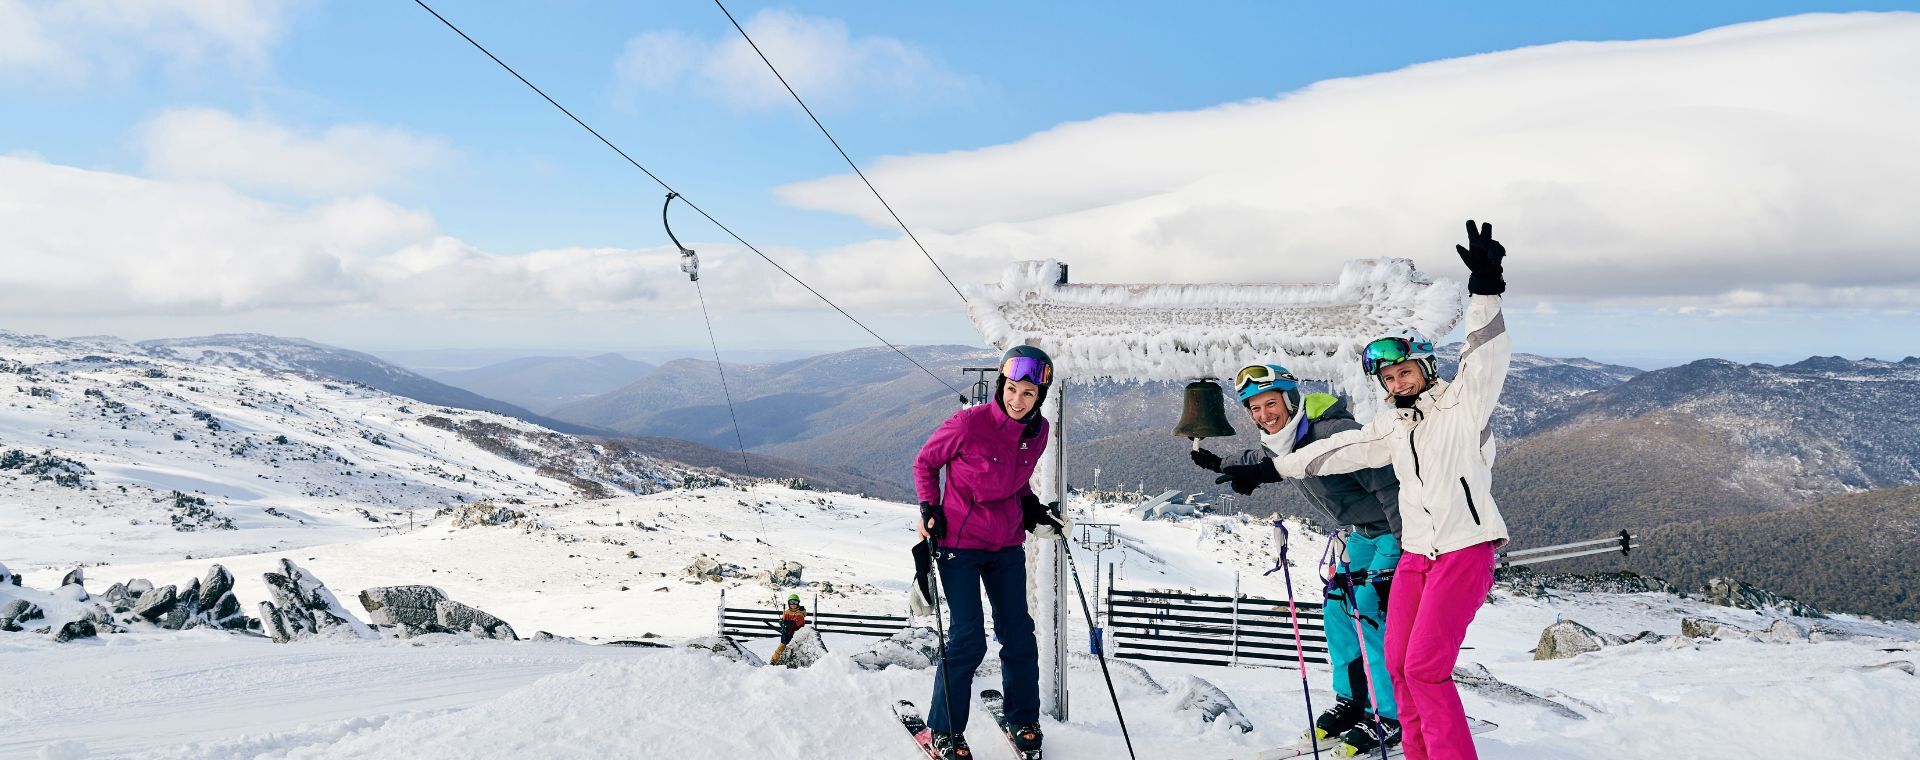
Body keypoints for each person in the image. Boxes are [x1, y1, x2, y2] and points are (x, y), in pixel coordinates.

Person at [1217, 220, 1511, 760]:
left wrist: (1486, 289)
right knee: (1398, 666)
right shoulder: (1391, 426)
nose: (1397, 384)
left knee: (1425, 668)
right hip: (1420, 556)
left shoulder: (1461, 408)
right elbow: (1335, 452)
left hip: (1464, 551)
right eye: (1389, 378)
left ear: (1424, 367)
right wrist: (1268, 471)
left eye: (1404, 373)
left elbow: (1484, 354)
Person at [1196, 363, 1405, 754]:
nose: (1264, 416)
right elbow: (1269, 463)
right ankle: (1353, 702)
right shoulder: (1285, 438)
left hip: (1392, 532)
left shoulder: (1332, 432)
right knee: (1338, 613)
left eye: (1270, 404)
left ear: (1290, 401)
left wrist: (1401, 554)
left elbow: (1390, 485)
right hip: (1360, 535)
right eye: (1254, 409)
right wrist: (1222, 463)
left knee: (1371, 613)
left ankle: (1390, 715)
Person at [912, 345, 1069, 760]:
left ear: (1040, 398)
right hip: (959, 546)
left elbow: (1017, 481)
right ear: (1002, 385)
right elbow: (925, 464)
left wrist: (1033, 508)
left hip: (1006, 545)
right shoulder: (968, 424)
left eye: (1029, 394)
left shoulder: (1038, 432)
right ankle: (944, 730)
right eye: (1013, 389)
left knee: (1018, 634)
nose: (1018, 401)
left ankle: (1022, 718)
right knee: (967, 638)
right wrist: (929, 507)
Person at [768, 593, 809, 665]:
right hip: (786, 634)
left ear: (798, 603)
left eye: (795, 602)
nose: (793, 604)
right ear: (788, 603)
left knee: (792, 651)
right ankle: (773, 662)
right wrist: (781, 622)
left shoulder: (800, 614)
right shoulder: (786, 612)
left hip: (796, 637)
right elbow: (783, 620)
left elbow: (794, 623)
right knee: (781, 647)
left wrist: (786, 623)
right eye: (791, 602)